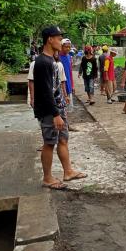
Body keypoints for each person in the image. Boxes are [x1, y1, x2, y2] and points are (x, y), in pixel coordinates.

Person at [33, 26, 87, 190]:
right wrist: (56, 114)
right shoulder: (42, 62)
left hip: (58, 108)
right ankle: (47, 178)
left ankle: (68, 171)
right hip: (50, 111)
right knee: (49, 143)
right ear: (50, 39)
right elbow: (45, 92)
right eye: (58, 38)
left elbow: (55, 88)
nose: (60, 41)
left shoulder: (52, 60)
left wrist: (61, 109)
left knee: (63, 139)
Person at [59, 38, 74, 110]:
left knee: (68, 106)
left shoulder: (69, 57)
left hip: (68, 83)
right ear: (61, 46)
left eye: (69, 47)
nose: (68, 48)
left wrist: (72, 85)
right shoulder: (57, 57)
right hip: (60, 84)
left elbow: (70, 72)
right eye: (66, 47)